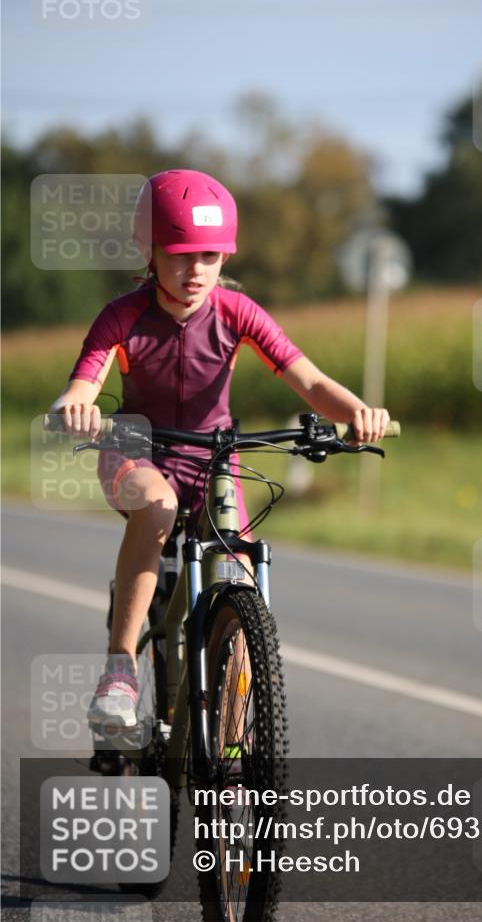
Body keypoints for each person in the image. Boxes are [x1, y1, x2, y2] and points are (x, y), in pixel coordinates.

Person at [47, 169, 389, 729]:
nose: (196, 270)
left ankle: (230, 745)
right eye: (180, 254)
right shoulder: (122, 316)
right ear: (150, 250)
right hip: (136, 450)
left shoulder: (237, 312)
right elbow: (84, 382)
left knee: (242, 576)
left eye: (210, 255)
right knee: (155, 508)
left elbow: (310, 380)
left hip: (215, 455)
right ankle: (120, 670)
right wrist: (76, 407)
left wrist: (356, 412)